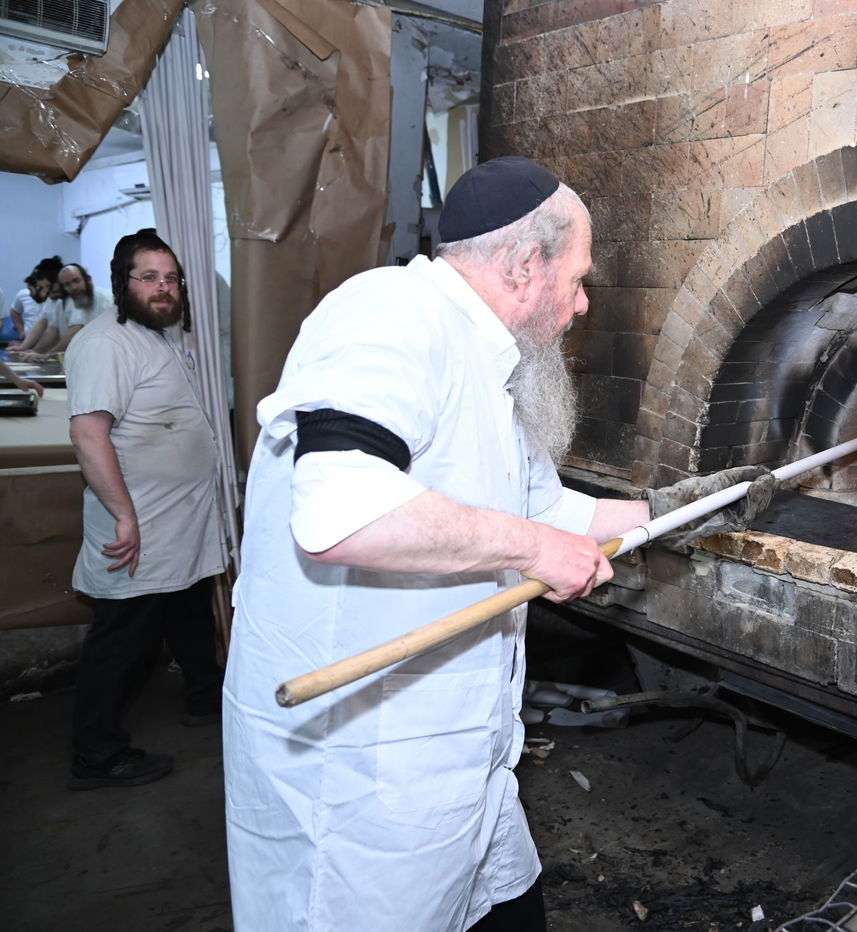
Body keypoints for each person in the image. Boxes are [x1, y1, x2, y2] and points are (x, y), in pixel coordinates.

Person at [224, 156, 774, 931]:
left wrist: (680, 507)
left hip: (464, 758)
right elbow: (339, 511)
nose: (583, 304)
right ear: (524, 264)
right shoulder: (389, 313)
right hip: (365, 779)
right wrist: (530, 549)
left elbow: (552, 512)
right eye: (578, 279)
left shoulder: (494, 375)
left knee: (510, 912)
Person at [64, 230, 227, 791]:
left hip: (179, 518)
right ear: (121, 282)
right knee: (123, 634)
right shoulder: (105, 343)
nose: (163, 289)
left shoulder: (156, 335)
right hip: (139, 518)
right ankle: (97, 754)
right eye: (149, 277)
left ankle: (206, 696)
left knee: (186, 606)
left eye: (171, 278)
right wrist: (124, 516)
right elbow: (89, 435)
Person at [11, 262, 114, 359]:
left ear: (88, 279)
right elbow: (52, 330)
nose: (73, 287)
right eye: (67, 284)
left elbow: (75, 331)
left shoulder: (108, 299)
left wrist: (46, 355)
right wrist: (33, 351)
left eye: (76, 281)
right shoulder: (67, 301)